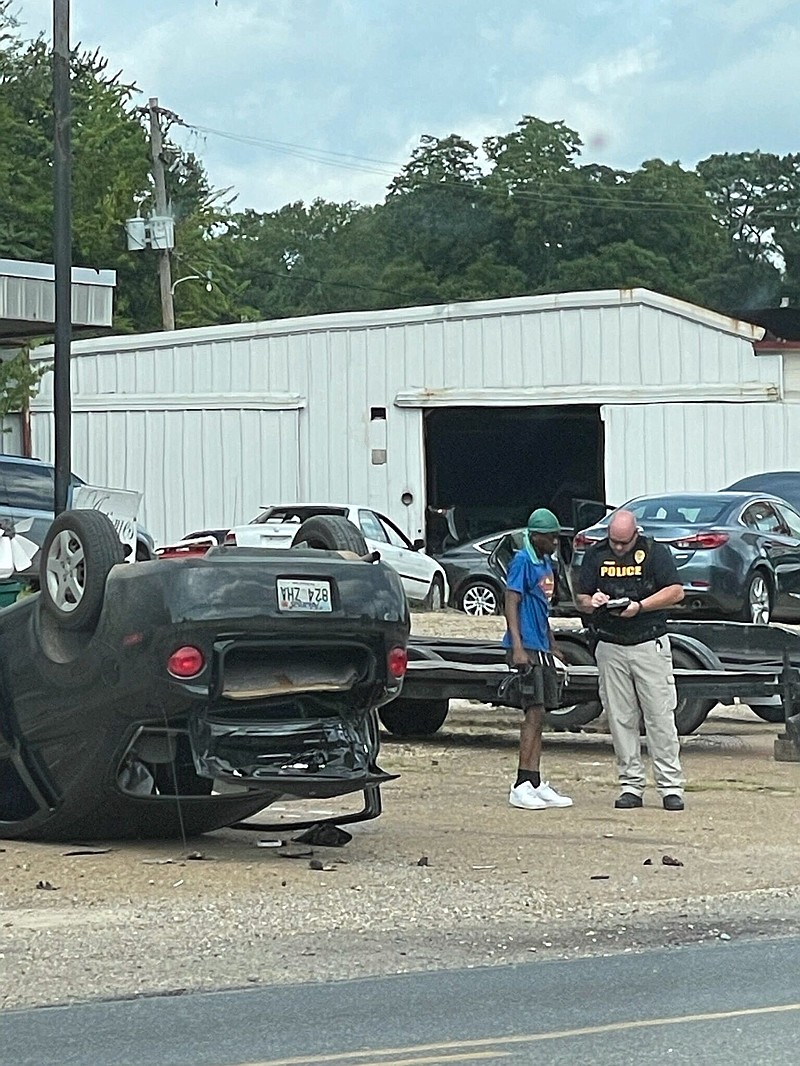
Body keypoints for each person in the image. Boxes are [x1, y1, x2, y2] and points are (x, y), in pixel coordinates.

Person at [575, 509, 686, 811]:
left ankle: (670, 786)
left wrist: (641, 606)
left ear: (636, 534)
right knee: (620, 717)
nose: (619, 547)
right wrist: (592, 601)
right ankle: (630, 785)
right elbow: (580, 597)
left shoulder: (654, 552)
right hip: (610, 644)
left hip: (648, 642)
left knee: (660, 716)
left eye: (624, 542)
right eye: (614, 541)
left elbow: (676, 591)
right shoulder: (596, 554)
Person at [503, 508, 573, 811]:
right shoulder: (522, 561)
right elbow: (512, 602)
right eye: (550, 537)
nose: (555, 542)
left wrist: (552, 644)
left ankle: (534, 780)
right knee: (532, 712)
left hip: (541, 645)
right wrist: (518, 647)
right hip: (526, 646)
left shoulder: (545, 562)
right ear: (535, 536)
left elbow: (542, 607)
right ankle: (520, 784)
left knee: (541, 712)